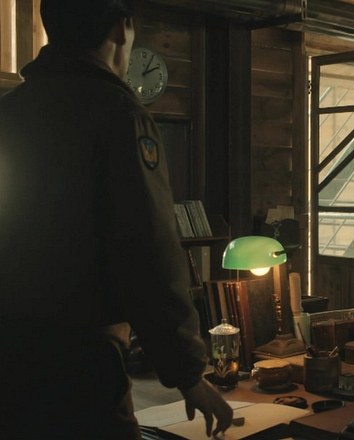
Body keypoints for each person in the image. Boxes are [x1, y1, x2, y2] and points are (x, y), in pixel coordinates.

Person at [0, 1, 232, 438]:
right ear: (122, 28)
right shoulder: (118, 115)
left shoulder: (9, 113)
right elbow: (149, 252)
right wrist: (188, 373)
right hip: (81, 362)